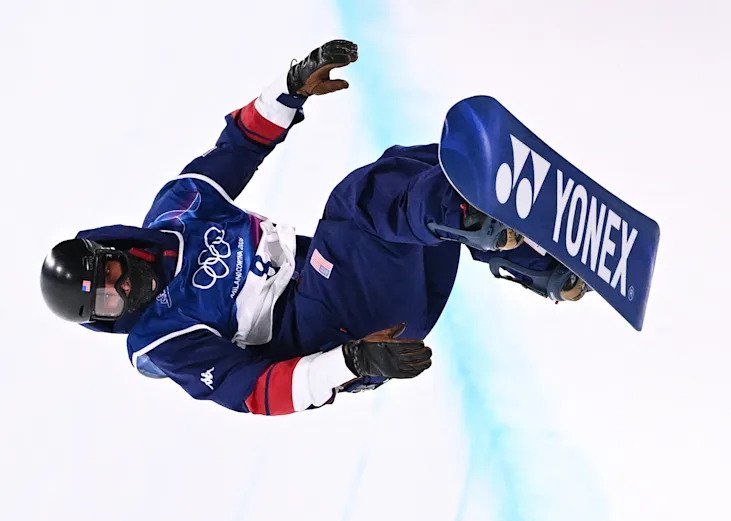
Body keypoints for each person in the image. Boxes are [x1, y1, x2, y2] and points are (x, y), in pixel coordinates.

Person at [39, 40, 587, 416]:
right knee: (359, 202)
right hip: (340, 331)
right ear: (102, 321)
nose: (124, 289)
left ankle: (541, 264)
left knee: (406, 170)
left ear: (115, 249)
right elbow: (253, 391)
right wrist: (351, 363)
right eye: (108, 302)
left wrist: (290, 87)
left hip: (373, 281)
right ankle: (469, 216)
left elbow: (239, 145)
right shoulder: (162, 340)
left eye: (112, 273)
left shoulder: (181, 209)